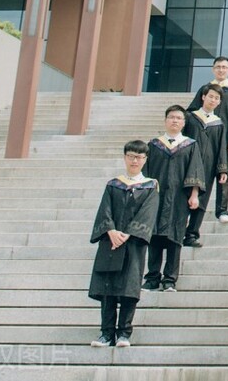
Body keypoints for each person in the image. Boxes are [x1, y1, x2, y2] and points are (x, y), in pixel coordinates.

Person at [89, 140, 160, 348]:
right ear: (125, 158)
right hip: (110, 243)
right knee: (107, 288)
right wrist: (110, 230)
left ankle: (124, 334)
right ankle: (106, 334)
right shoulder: (113, 184)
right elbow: (105, 210)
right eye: (131, 156)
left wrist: (128, 234)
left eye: (139, 157)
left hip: (133, 246)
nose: (134, 160)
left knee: (129, 289)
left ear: (145, 159)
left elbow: (148, 213)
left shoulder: (150, 186)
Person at [142, 105, 204, 293]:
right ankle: (152, 278)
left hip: (179, 199)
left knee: (175, 239)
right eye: (171, 117)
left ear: (184, 123)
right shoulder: (153, 145)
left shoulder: (190, 145)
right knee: (154, 237)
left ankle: (170, 279)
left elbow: (195, 169)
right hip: (156, 198)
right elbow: (145, 173)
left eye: (179, 118)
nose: (175, 121)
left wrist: (194, 195)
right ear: (165, 121)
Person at [186, 56, 228, 224]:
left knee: (223, 173)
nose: (221, 69)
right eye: (218, 67)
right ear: (213, 69)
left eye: (224, 67)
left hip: (224, 140)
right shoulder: (206, 89)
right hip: (202, 137)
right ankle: (191, 205)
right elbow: (192, 110)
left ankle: (222, 210)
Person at [183, 84, 228, 248]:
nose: (213, 100)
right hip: (187, 164)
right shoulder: (189, 117)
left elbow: (221, 147)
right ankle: (178, 230)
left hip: (207, 167)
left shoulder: (218, 123)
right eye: (211, 96)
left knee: (201, 200)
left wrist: (222, 168)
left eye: (217, 98)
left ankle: (191, 234)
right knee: (183, 197)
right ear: (203, 97)